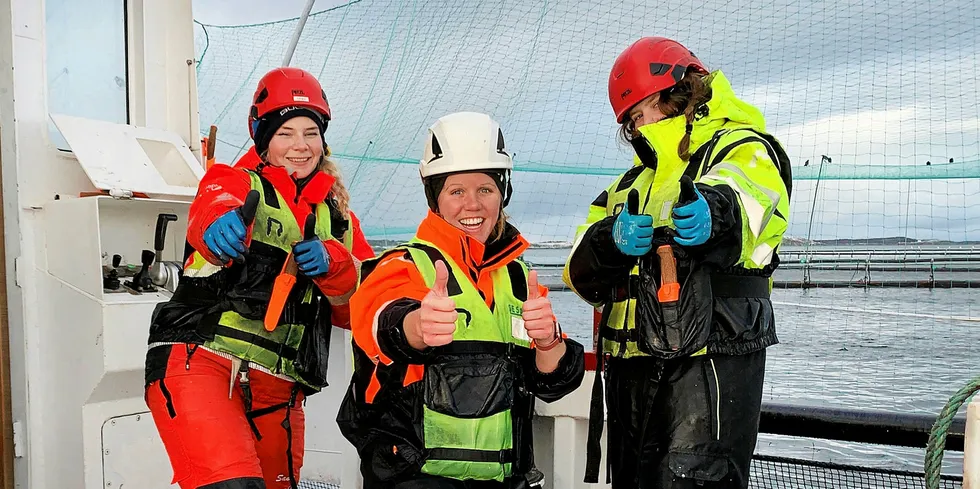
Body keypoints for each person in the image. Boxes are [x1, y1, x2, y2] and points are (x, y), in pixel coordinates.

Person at [563, 37, 793, 488]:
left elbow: (749, 199)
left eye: (644, 109)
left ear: (679, 92)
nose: (640, 125)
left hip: (710, 365)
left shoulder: (742, 147)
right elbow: (576, 271)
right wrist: (610, 241)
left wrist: (716, 214)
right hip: (630, 373)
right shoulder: (629, 184)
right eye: (632, 119)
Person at [144, 66, 375, 489]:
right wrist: (218, 228)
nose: (300, 146)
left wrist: (336, 266)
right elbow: (208, 211)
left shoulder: (340, 221)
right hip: (201, 364)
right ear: (263, 137)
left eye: (311, 132)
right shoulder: (232, 180)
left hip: (280, 393)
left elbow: (360, 310)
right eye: (285, 132)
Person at [337, 111, 585, 489]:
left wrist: (549, 341)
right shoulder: (400, 266)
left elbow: (552, 384)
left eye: (485, 189)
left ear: (503, 193)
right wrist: (419, 325)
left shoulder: (520, 279)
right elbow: (380, 322)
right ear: (435, 198)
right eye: (457, 191)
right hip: (413, 479)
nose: (473, 204)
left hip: (506, 479)